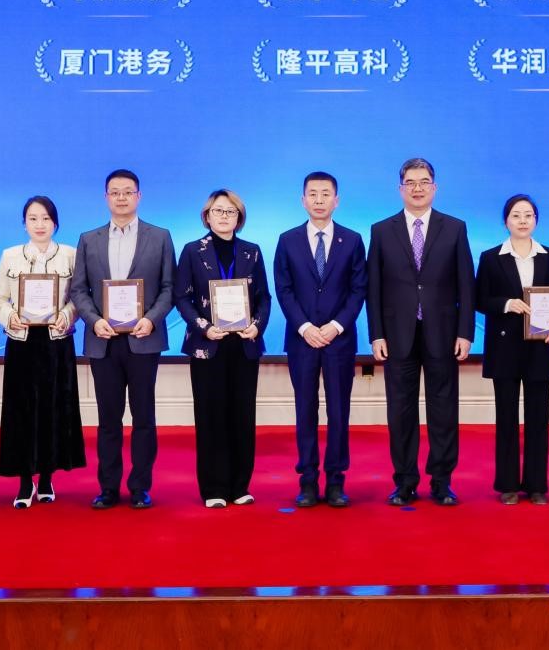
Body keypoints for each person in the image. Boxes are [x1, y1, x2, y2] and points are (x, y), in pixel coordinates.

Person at [367, 158, 475, 507]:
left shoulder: (454, 228)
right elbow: (373, 288)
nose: (417, 188)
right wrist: (376, 334)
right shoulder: (381, 231)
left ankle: (442, 482)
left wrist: (465, 332)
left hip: (443, 333)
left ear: (435, 187)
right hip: (396, 334)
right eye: (410, 182)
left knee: (444, 409)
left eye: (424, 181)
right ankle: (405, 482)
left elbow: (466, 285)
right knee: (400, 411)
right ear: (400, 188)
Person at [70, 170, 175, 510]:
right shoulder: (89, 239)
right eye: (114, 192)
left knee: (144, 418)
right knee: (108, 420)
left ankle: (141, 487)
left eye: (127, 192)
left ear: (138, 196)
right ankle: (108, 488)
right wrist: (95, 320)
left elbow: (168, 288)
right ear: (106, 197)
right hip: (104, 340)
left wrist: (150, 319)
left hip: (144, 338)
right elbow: (78, 289)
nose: (121, 197)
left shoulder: (160, 237)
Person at [273, 171, 367, 509]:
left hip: (339, 340)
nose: (319, 200)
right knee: (305, 409)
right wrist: (304, 327)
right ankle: (308, 480)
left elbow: (358, 289)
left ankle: (337, 480)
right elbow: (283, 289)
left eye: (325, 194)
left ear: (336, 200)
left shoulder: (352, 240)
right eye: (312, 194)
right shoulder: (287, 240)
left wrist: (336, 326)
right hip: (302, 340)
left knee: (339, 411)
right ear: (303, 200)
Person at [174, 189, 271, 508]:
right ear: (207, 215)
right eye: (218, 211)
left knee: (242, 415)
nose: (224, 216)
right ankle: (214, 488)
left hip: (244, 345)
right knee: (210, 415)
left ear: (239, 217)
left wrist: (257, 325)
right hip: (208, 346)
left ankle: (240, 485)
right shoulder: (192, 251)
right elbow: (182, 297)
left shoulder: (251, 251)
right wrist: (204, 327)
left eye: (231, 211)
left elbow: (264, 297)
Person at [0, 196, 86, 509]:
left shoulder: (71, 255)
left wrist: (68, 315)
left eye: (45, 218)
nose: (39, 224)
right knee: (21, 411)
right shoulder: (10, 255)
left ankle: (46, 477)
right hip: (21, 342)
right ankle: (24, 480)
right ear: (24, 224)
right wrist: (9, 316)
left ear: (55, 223)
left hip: (56, 342)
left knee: (53, 408)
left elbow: (79, 296)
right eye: (33, 218)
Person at [474, 194, 549, 505]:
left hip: (540, 347)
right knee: (506, 417)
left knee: (538, 417)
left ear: (536, 220)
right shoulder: (490, 257)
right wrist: (507, 304)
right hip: (504, 347)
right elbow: (479, 299)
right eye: (516, 215)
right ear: (506, 221)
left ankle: (537, 485)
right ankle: (508, 484)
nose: (522, 220)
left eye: (528, 215)